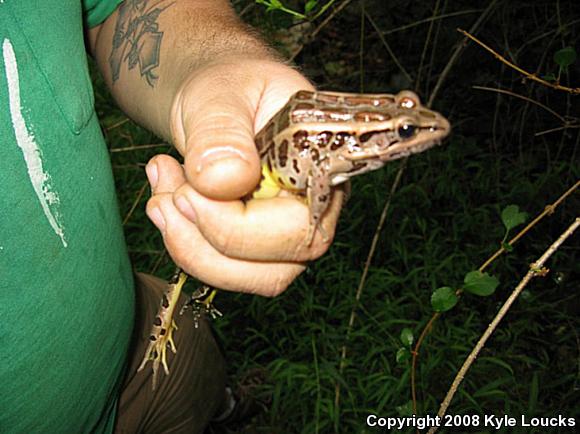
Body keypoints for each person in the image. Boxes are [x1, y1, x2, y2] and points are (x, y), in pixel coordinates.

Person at [0, 0, 344, 433]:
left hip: (139, 327)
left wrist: (217, 66)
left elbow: (116, 11)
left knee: (199, 372)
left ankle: (225, 406)